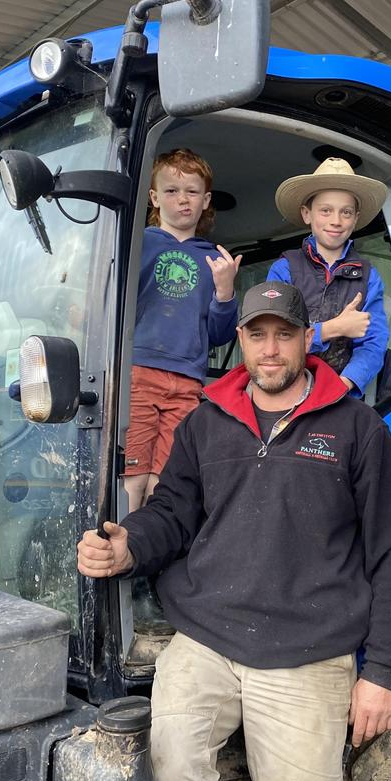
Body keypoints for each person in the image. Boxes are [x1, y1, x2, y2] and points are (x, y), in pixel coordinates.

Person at [78, 281, 391, 781]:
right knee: (168, 775)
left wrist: (385, 671)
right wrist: (130, 547)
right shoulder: (205, 423)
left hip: (308, 649)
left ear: (308, 339)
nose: (271, 349)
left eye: (285, 334)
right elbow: (173, 513)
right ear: (240, 339)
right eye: (258, 335)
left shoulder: (359, 429)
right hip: (206, 638)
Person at [124, 148, 241, 511]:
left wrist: (225, 290)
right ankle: (121, 551)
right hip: (140, 371)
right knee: (132, 474)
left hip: (188, 379)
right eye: (171, 191)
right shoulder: (135, 245)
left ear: (206, 200)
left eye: (191, 191)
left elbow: (221, 335)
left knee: (166, 475)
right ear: (154, 197)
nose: (182, 200)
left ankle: (149, 549)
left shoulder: (212, 258)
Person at [268, 156, 390, 397]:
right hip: (285, 391)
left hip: (341, 394)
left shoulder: (368, 277)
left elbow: (373, 344)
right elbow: (275, 339)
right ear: (307, 214)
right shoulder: (284, 269)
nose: (336, 221)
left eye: (346, 212)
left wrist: (344, 384)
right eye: (325, 211)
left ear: (355, 218)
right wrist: (334, 328)